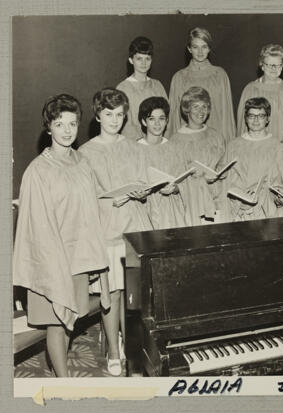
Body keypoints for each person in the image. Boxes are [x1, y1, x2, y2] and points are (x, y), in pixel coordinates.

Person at [13, 94, 110, 377]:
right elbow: (36, 226)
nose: (67, 131)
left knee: (71, 320)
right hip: (52, 259)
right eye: (60, 124)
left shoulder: (82, 162)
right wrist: (55, 265)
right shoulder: (38, 171)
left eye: (72, 124)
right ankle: (65, 383)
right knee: (57, 322)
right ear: (49, 128)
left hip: (78, 257)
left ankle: (59, 373)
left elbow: (91, 210)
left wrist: (92, 255)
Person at [79, 88, 153, 376]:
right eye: (108, 114)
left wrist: (142, 190)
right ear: (98, 115)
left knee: (134, 293)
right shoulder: (85, 153)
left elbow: (145, 186)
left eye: (119, 115)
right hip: (106, 227)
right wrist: (110, 198)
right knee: (112, 292)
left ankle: (133, 349)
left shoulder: (135, 147)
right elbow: (85, 196)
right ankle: (113, 348)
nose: (114, 120)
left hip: (134, 226)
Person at [167, 27, 235, 142]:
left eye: (204, 47)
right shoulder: (179, 78)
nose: (200, 52)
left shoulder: (220, 75)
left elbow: (227, 115)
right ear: (189, 49)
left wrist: (226, 143)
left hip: (215, 140)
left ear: (209, 48)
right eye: (195, 47)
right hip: (188, 140)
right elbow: (174, 118)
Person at [169, 86, 225, 225]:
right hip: (191, 202)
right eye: (196, 107)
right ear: (187, 109)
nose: (201, 111)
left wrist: (220, 173)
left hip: (216, 199)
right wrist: (198, 180)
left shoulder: (216, 135)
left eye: (204, 107)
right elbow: (175, 179)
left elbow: (223, 164)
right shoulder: (176, 140)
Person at [221, 97, 280, 221]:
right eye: (252, 116)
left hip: (267, 208)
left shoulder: (278, 146)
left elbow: (281, 180)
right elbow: (225, 178)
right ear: (246, 118)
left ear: (268, 118)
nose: (256, 120)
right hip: (238, 209)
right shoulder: (233, 145)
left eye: (261, 116)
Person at [136, 96, 189, 229]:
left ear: (167, 121)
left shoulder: (175, 149)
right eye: (151, 119)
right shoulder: (134, 149)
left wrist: (176, 188)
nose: (157, 124)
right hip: (144, 211)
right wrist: (140, 194)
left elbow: (185, 182)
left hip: (171, 212)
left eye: (161, 119)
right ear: (143, 121)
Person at [236, 44, 283, 140]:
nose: (274, 69)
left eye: (277, 65)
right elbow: (242, 125)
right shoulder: (250, 89)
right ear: (262, 65)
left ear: (282, 66)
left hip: (282, 146)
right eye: (270, 65)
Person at [116, 36, 168, 140]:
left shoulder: (157, 85)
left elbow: (166, 117)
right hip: (134, 143)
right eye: (139, 58)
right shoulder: (123, 88)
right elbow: (124, 124)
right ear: (131, 60)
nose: (144, 63)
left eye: (147, 58)